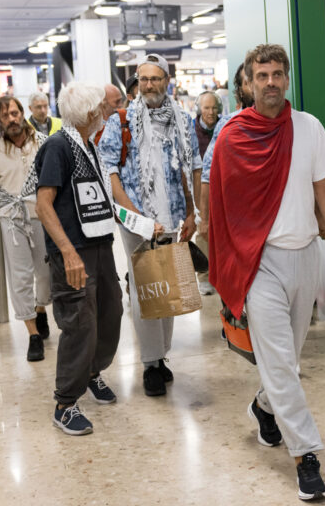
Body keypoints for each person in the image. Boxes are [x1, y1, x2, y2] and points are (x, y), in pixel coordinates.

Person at [209, 44, 325, 501]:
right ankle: (306, 457)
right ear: (248, 83)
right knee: (279, 361)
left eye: (277, 74)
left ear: (287, 79)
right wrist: (230, 263)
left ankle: (263, 407)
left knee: (286, 362)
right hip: (259, 264)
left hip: (306, 256)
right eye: (262, 75)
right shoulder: (231, 136)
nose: (271, 82)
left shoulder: (308, 127)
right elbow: (220, 206)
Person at [98, 53, 201, 397]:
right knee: (145, 288)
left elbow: (191, 168)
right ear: (137, 83)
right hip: (135, 221)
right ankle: (149, 364)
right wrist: (136, 216)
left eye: (155, 79)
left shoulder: (182, 120)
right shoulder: (121, 121)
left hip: (172, 218)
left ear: (166, 81)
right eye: (143, 79)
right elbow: (109, 171)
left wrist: (192, 213)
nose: (149, 85)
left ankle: (161, 355)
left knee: (167, 287)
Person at [34, 81, 123, 436]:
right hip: (73, 252)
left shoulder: (90, 145)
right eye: (101, 106)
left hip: (100, 246)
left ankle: (91, 373)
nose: (105, 111)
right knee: (79, 324)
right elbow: (43, 205)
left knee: (110, 314)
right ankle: (65, 404)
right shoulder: (58, 147)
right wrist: (68, 252)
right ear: (88, 113)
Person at [0, 95, 52, 362]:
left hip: (43, 216)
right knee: (20, 276)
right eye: (5, 116)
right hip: (11, 220)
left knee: (45, 274)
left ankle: (41, 309)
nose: (11, 119)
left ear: (22, 113)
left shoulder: (43, 143)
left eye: (14, 113)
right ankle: (33, 335)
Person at [197, 63, 254, 276]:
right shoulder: (229, 125)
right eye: (249, 81)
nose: (258, 85)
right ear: (240, 89)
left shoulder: (288, 123)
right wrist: (204, 219)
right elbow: (207, 173)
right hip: (239, 223)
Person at [192, 91, 223, 295]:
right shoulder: (191, 130)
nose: (211, 112)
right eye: (206, 108)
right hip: (199, 185)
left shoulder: (224, 126)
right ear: (199, 109)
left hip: (221, 185)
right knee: (203, 228)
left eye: (214, 108)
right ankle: (204, 277)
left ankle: (221, 274)